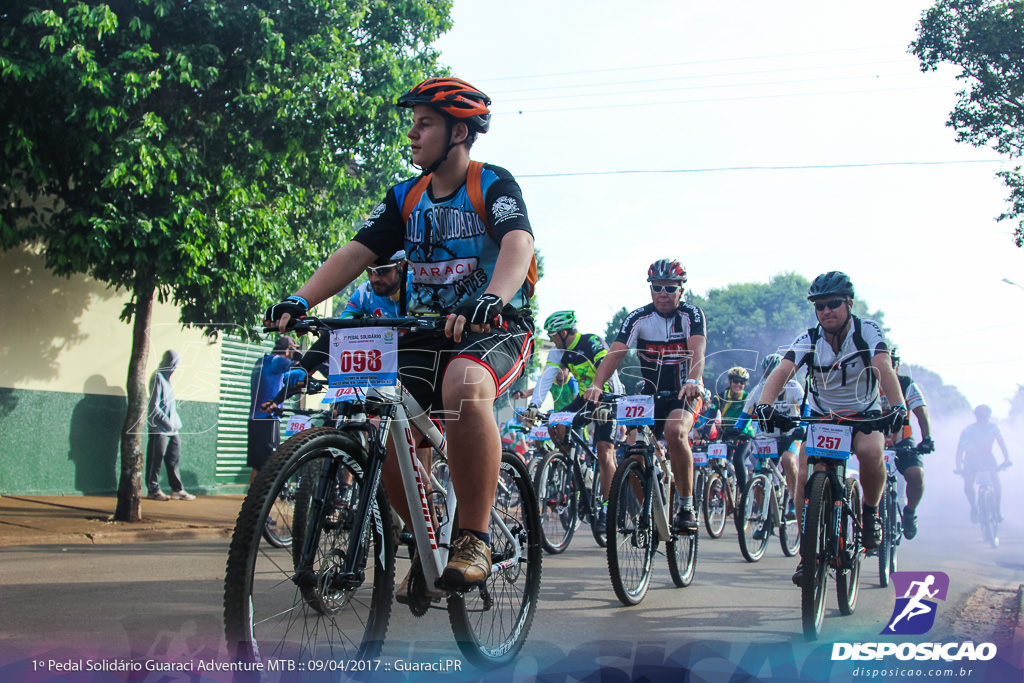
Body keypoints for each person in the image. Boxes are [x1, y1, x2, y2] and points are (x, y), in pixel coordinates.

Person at [265, 77, 535, 591]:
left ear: (459, 131)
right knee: (381, 412)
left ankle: (473, 536)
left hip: (492, 328)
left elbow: (517, 244)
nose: (412, 134)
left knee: (462, 384)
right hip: (425, 330)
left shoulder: (492, 183)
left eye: (424, 123)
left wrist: (492, 299)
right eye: (411, 123)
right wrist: (301, 298)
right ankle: (426, 540)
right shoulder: (405, 197)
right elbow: (355, 252)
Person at [753, 271, 906, 582]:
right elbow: (783, 370)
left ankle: (870, 511)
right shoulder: (809, 338)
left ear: (849, 303)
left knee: (869, 452)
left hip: (864, 412)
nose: (826, 311)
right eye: (819, 306)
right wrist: (764, 406)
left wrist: (899, 405)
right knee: (804, 474)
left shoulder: (867, 332)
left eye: (833, 304)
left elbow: (882, 366)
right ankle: (806, 556)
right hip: (824, 417)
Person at [583, 259, 707, 534]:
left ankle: (686, 506)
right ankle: (647, 513)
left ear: (681, 290)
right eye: (657, 287)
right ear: (650, 289)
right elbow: (616, 352)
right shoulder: (638, 317)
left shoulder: (691, 315)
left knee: (675, 431)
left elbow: (698, 352)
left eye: (670, 288)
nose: (663, 293)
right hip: (650, 395)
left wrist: (693, 380)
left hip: (684, 391)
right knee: (633, 450)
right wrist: (597, 384)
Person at [524, 311, 623, 533]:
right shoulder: (560, 352)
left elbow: (611, 370)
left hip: (607, 396)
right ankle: (574, 465)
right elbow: (547, 376)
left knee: (604, 450)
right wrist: (534, 406)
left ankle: (608, 508)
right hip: (585, 399)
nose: (551, 340)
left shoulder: (591, 342)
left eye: (553, 335)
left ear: (564, 332)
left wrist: (609, 401)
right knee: (553, 424)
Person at [735, 353, 803, 514]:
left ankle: (793, 499)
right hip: (768, 438)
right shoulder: (759, 389)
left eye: (775, 373)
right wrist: (737, 430)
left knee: (788, 459)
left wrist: (803, 428)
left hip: (791, 436)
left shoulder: (794, 387)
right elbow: (745, 413)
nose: (771, 377)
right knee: (759, 473)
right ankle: (763, 518)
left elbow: (806, 407)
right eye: (768, 373)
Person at [881, 346, 935, 539]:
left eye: (890, 362)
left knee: (916, 475)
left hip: (902, 441)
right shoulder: (865, 383)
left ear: (896, 364)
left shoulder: (906, 383)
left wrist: (926, 438)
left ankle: (910, 512)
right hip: (873, 440)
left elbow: (921, 411)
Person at [247, 336, 302, 483]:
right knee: (270, 464)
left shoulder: (261, 361)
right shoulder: (278, 361)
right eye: (293, 349)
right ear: (286, 349)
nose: (295, 351)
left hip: (254, 419)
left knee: (258, 465)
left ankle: (253, 499)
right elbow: (300, 367)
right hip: (268, 418)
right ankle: (263, 500)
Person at [145, 350, 195, 501]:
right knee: (155, 460)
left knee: (174, 459)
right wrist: (166, 423)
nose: (175, 368)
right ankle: (153, 490)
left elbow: (170, 406)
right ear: (168, 362)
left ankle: (177, 490)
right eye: (174, 364)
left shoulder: (168, 380)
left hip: (173, 430)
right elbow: (154, 406)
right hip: (159, 429)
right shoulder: (158, 377)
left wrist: (175, 423)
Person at [955, 404, 1011, 523]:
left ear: (989, 416)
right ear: (976, 417)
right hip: (971, 460)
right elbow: (960, 449)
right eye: (980, 416)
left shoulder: (994, 428)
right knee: (968, 485)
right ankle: (974, 508)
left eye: (984, 417)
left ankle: (997, 508)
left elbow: (1002, 444)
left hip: (988, 458)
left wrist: (1007, 459)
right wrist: (959, 467)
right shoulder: (968, 430)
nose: (982, 419)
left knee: (995, 480)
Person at [708, 365, 755, 491]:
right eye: (735, 381)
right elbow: (711, 418)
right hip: (727, 434)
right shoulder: (720, 397)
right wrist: (703, 436)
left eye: (741, 382)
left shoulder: (748, 398)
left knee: (738, 459)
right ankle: (719, 488)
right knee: (717, 461)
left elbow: (750, 416)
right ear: (730, 381)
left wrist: (742, 433)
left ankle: (743, 493)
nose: (738, 385)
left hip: (744, 435)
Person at [340, 250, 410, 319]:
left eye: (382, 270)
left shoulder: (419, 288)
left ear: (402, 266)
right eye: (369, 271)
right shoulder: (365, 293)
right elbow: (343, 321)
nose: (374, 279)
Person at [513, 367, 579, 412]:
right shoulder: (551, 382)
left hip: (572, 415)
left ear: (569, 371)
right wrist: (519, 393)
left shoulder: (572, 382)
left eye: (563, 369)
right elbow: (532, 392)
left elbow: (576, 400)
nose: (559, 371)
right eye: (557, 369)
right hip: (558, 416)